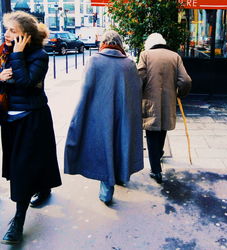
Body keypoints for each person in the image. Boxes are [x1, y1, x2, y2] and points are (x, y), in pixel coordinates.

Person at [0, 11, 62, 244]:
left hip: (32, 118)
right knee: (23, 164)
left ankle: (17, 221)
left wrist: (16, 55)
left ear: (25, 36)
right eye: (6, 29)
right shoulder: (4, 52)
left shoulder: (39, 56)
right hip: (9, 120)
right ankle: (44, 187)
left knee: (23, 170)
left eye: (12, 31)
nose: (6, 34)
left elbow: (26, 84)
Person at [64, 30, 143, 205]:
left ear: (103, 44)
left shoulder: (94, 61)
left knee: (104, 148)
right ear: (120, 45)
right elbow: (136, 90)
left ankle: (107, 188)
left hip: (99, 114)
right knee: (120, 144)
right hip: (123, 114)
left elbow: (86, 90)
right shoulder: (129, 64)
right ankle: (119, 177)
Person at [137, 33, 192, 184]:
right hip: (168, 102)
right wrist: (180, 94)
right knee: (162, 131)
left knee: (151, 133)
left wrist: (137, 95)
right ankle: (159, 154)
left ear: (149, 44)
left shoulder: (145, 55)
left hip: (150, 102)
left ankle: (156, 170)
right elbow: (186, 80)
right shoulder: (175, 57)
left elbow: (139, 77)